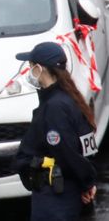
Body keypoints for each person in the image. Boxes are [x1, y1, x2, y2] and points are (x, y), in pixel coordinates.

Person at [13, 42, 97, 221]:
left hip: (55, 199)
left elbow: (67, 152)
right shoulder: (68, 99)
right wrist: (87, 183)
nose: (29, 71)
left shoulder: (55, 107)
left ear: (39, 68)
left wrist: (86, 183)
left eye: (30, 66)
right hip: (64, 195)